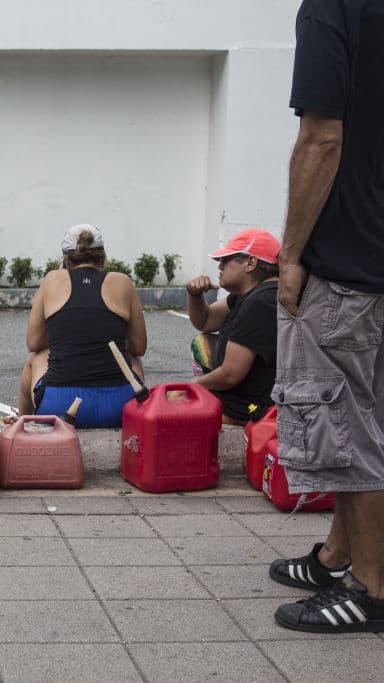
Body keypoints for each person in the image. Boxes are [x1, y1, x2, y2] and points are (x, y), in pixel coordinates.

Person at [268, 0, 384, 634]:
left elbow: (322, 137)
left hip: (350, 261)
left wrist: (290, 253)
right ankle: (341, 554)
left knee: (346, 424)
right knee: (369, 415)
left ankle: (372, 589)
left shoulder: (332, 8)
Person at [17, 224, 147, 427]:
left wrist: (68, 336)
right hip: (119, 407)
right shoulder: (123, 282)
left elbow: (33, 343)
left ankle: (22, 423)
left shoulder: (53, 279)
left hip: (59, 405)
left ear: (65, 259)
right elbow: (139, 347)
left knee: (35, 357)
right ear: (102, 257)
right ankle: (135, 425)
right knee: (133, 359)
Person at [186, 228, 280, 424]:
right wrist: (195, 295)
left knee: (171, 408)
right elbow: (205, 321)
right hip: (243, 401)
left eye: (225, 260)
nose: (219, 267)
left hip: (248, 409)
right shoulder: (249, 295)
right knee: (201, 342)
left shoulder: (261, 302)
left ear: (250, 263)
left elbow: (231, 374)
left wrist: (192, 386)